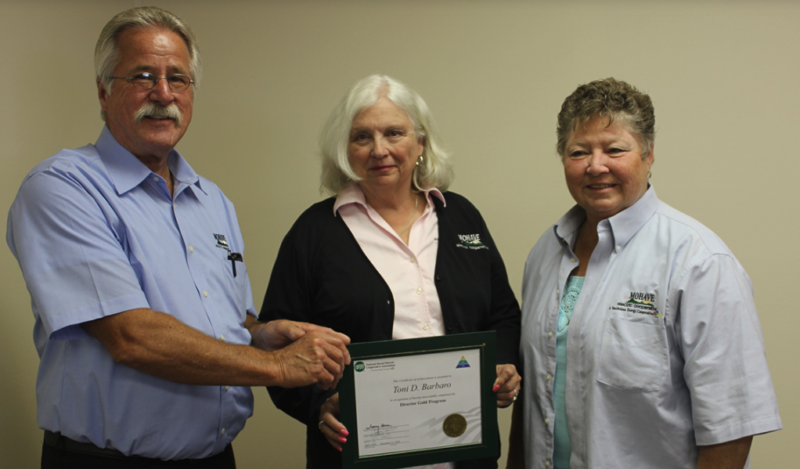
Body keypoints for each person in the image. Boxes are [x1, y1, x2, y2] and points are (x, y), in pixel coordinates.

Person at [6, 7, 350, 468]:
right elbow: (131, 335)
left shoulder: (212, 201)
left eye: (178, 79)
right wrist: (278, 367)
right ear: (104, 91)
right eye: (143, 76)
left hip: (214, 456)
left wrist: (260, 334)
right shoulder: (63, 187)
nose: (163, 93)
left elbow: (229, 320)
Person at [506, 78, 782, 469]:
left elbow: (731, 428)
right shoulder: (545, 253)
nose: (595, 165)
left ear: (649, 154)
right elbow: (536, 396)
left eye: (615, 149)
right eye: (578, 151)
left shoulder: (699, 263)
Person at [259, 74, 522, 469]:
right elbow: (276, 345)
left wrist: (503, 364)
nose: (379, 150)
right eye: (362, 136)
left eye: (394, 133)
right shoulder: (313, 233)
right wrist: (317, 407)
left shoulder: (462, 216)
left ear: (420, 142)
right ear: (345, 149)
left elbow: (503, 314)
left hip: (463, 452)